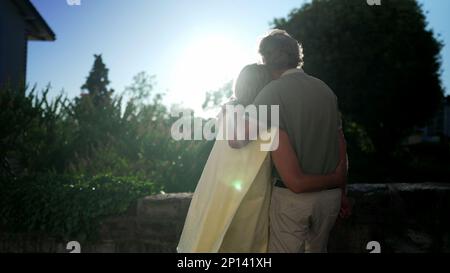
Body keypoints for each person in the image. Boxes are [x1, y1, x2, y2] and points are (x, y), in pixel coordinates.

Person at [229, 30, 350, 253]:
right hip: (330, 197)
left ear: (265, 59)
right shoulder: (325, 90)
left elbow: (236, 140)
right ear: (297, 56)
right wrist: (342, 192)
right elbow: (341, 144)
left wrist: (233, 109)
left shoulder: (272, 92)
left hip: (293, 200)